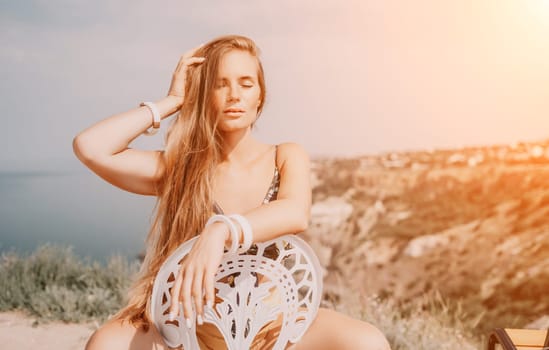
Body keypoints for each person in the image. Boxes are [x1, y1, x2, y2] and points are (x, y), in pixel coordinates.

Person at [74, 34, 391, 350]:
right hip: (190, 330)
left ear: (260, 96)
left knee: (369, 342)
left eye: (246, 83)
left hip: (274, 329)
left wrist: (220, 230)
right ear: (204, 94)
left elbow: (296, 212)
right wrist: (171, 102)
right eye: (220, 84)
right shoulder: (179, 169)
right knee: (104, 344)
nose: (234, 95)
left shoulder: (285, 156)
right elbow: (91, 148)